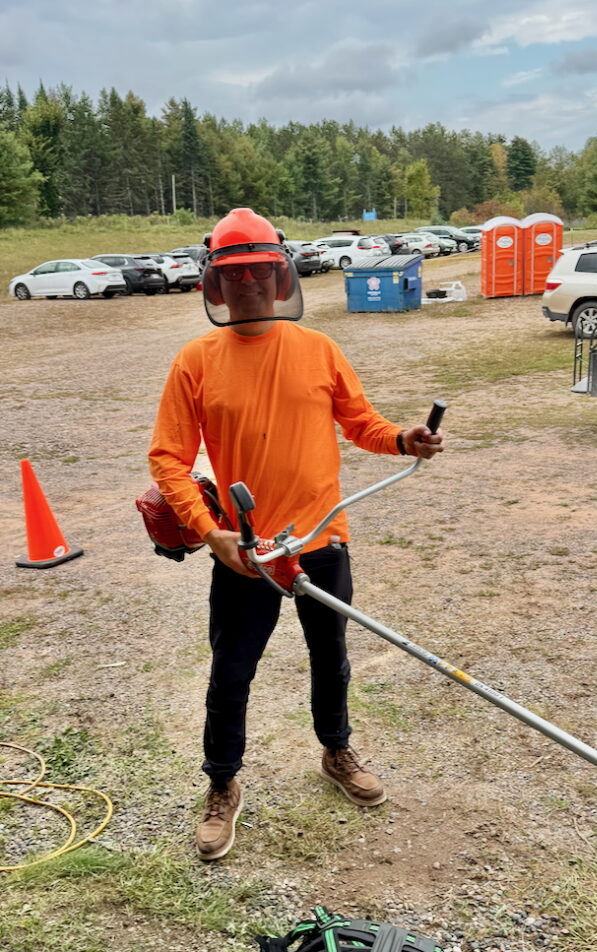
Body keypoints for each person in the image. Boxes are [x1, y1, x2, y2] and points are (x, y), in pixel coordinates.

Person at [148, 208, 444, 861]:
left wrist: (404, 439)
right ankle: (222, 784)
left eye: (261, 271)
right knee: (231, 672)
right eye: (235, 275)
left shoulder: (319, 350)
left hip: (319, 537)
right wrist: (210, 532)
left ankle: (336, 752)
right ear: (215, 285)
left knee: (329, 657)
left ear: (281, 277)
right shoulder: (195, 361)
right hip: (245, 551)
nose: (249, 284)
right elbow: (168, 458)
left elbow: (360, 423)